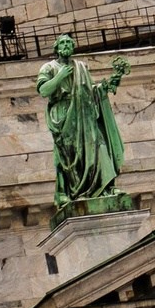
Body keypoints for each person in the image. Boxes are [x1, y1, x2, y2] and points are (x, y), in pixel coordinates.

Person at [37, 36, 131, 216]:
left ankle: (107, 187)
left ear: (73, 47)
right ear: (56, 48)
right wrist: (60, 77)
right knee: (70, 155)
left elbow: (89, 91)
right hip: (64, 115)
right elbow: (43, 90)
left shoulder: (81, 67)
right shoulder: (49, 68)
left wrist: (106, 85)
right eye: (62, 43)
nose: (66, 46)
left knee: (100, 146)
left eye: (68, 43)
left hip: (85, 115)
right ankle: (70, 192)